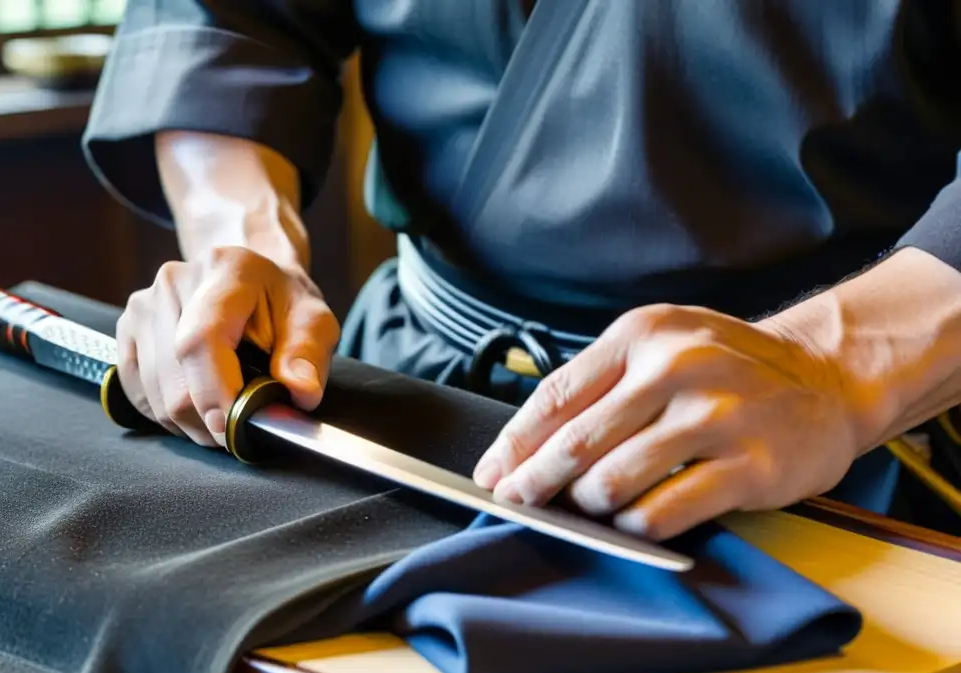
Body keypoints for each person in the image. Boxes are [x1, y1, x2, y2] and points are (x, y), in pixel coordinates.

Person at [82, 0, 961, 542]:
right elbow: (229, 14)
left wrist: (825, 366)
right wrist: (247, 249)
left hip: (859, 451)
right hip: (404, 406)